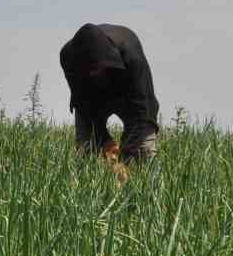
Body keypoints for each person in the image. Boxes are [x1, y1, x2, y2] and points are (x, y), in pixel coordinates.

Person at [59, 23, 159, 171]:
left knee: (144, 149)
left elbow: (143, 114)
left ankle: (151, 191)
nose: (96, 74)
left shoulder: (131, 55)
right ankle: (87, 188)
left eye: (100, 69)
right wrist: (104, 140)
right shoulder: (69, 57)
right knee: (86, 148)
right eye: (91, 71)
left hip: (129, 96)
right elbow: (82, 103)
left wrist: (126, 157)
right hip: (93, 100)